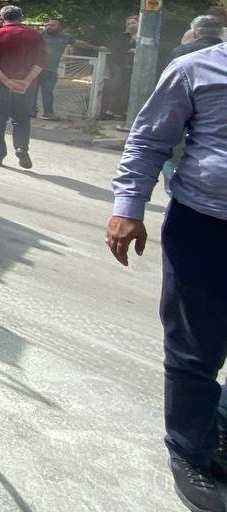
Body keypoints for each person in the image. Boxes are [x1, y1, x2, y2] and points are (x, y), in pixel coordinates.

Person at [106, 42, 227, 512]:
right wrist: (128, 208)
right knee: (195, 347)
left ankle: (216, 425)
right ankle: (190, 451)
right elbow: (149, 140)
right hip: (205, 226)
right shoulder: (196, 69)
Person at [0, 5, 46, 170]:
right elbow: (41, 61)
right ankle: (21, 149)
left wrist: (6, 81)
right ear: (21, 17)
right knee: (22, 120)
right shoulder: (34, 35)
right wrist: (26, 81)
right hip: (25, 87)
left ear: (3, 19)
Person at [34, 18, 76, 120]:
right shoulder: (39, 35)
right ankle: (31, 111)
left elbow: (79, 43)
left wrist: (96, 48)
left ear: (59, 27)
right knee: (32, 91)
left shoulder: (65, 37)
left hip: (50, 71)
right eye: (47, 25)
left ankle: (48, 113)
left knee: (48, 92)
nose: (49, 27)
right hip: (35, 69)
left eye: (52, 25)